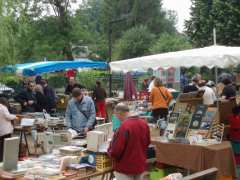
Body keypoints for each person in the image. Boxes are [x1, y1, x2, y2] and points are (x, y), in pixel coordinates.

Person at [108, 103, 150, 180]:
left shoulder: (124, 126)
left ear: (119, 113)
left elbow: (116, 150)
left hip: (125, 167)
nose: (117, 118)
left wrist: (110, 152)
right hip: (140, 164)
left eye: (116, 115)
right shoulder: (144, 124)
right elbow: (147, 143)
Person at [0, 97, 18, 162]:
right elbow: (8, 116)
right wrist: (15, 117)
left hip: (1, 130)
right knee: (5, 147)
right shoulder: (3, 107)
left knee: (1, 146)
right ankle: (4, 160)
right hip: (6, 131)